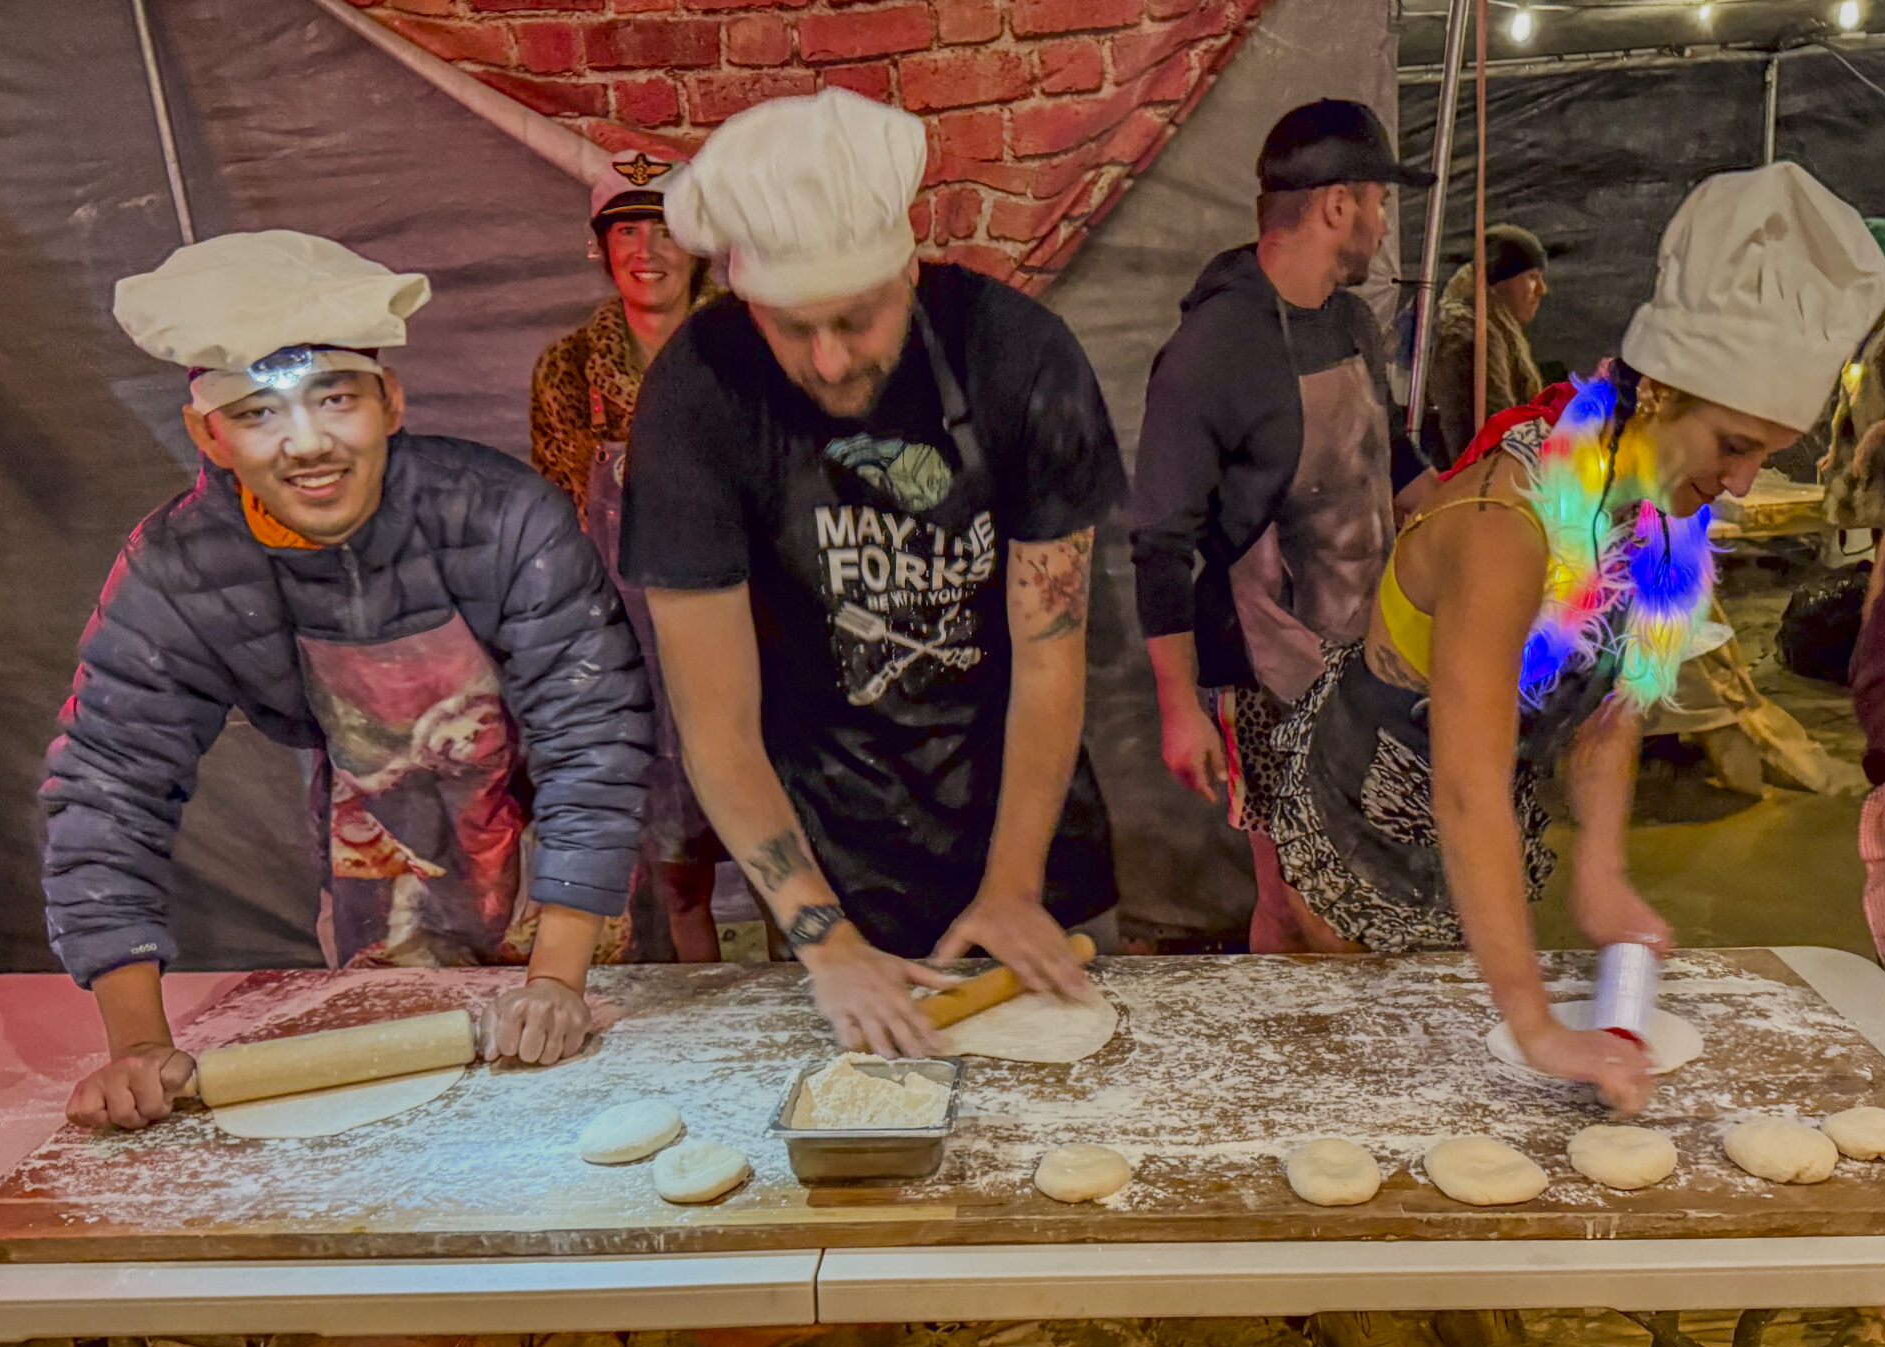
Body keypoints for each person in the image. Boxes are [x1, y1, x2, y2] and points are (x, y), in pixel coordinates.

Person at [1265, 163, 1885, 1112]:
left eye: (1767, 450)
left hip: (1471, 835)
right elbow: (1467, 783)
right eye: (1734, 444)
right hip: (1358, 811)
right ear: (1658, 396)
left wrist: (1601, 875)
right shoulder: (1509, 524)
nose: (1749, 482)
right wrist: (1533, 1020)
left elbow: (1613, 703)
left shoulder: (1665, 524)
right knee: (1347, 1073)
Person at [44, 231, 653, 1130]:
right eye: (258, 413)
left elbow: (593, 735)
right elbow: (106, 787)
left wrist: (557, 977)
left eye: (335, 399)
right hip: (381, 867)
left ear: (391, 399)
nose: (307, 445)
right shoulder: (179, 571)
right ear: (206, 433)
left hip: (561, 876)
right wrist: (137, 1043)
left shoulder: (500, 516)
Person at [620, 89, 1127, 1058]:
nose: (828, 358)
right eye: (789, 326)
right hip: (827, 853)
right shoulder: (697, 396)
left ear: (909, 263)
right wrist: (824, 936)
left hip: (1029, 830)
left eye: (856, 319)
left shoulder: (1021, 360)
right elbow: (715, 723)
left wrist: (1015, 885)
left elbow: (1051, 653)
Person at [1129, 99, 1432, 953]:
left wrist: (1489, 515)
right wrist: (1178, 708)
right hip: (1271, 672)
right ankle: (1343, 1072)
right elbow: (1159, 542)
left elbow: (1392, 460)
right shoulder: (1212, 350)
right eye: (1377, 200)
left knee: (1288, 897)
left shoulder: (1354, 322)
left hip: (1371, 655)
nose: (1381, 219)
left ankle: (1286, 1047)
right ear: (1336, 206)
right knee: (1317, 900)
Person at [530, 150, 725, 964]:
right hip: (633, 640)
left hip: (757, 623)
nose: (647, 250)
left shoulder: (751, 349)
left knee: (801, 841)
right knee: (678, 864)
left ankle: (813, 1002)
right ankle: (709, 1009)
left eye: (667, 229)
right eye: (627, 231)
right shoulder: (569, 370)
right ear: (602, 248)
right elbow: (562, 522)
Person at [1427, 223, 1549, 468]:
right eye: (1532, 278)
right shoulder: (1471, 341)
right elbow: (1489, 440)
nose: (1542, 290)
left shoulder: (1492, 332)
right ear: (1498, 281)